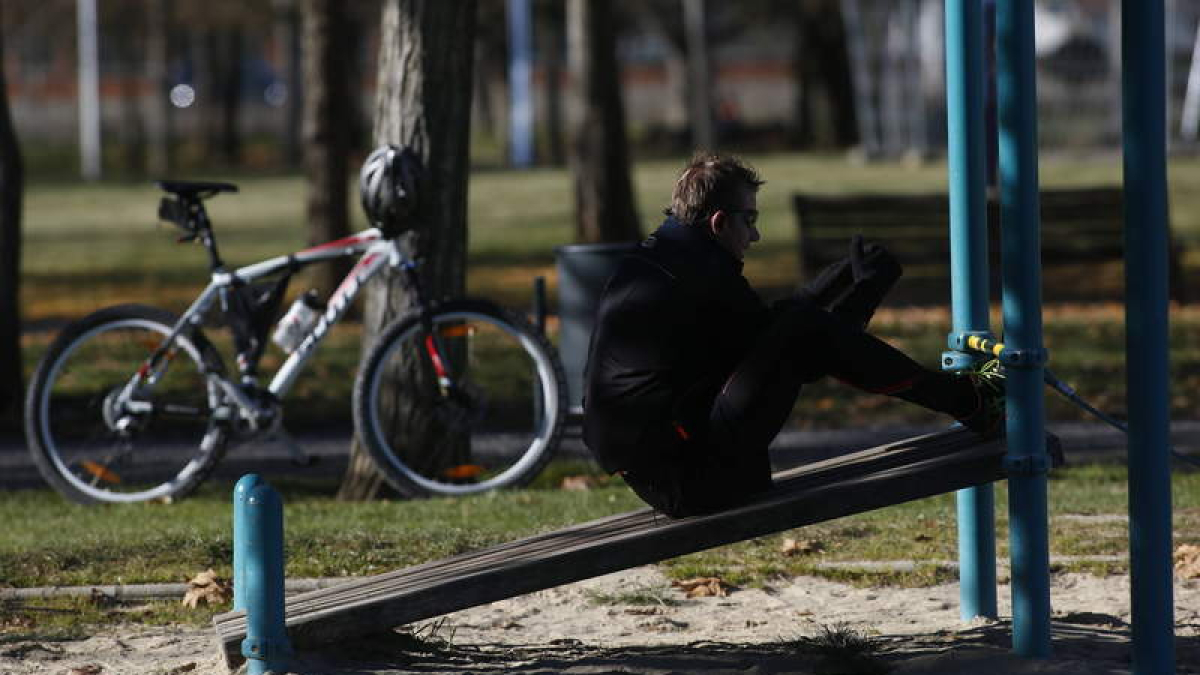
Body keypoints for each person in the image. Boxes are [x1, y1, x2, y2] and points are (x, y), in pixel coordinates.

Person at [581, 152, 1007, 518]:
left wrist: (828, 285)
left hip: (669, 472)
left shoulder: (667, 259)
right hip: (694, 479)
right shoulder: (701, 272)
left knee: (801, 329)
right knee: (804, 330)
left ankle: (968, 400)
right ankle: (973, 402)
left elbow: (765, 338)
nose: (755, 235)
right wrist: (863, 294)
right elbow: (799, 352)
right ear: (718, 221)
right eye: (750, 220)